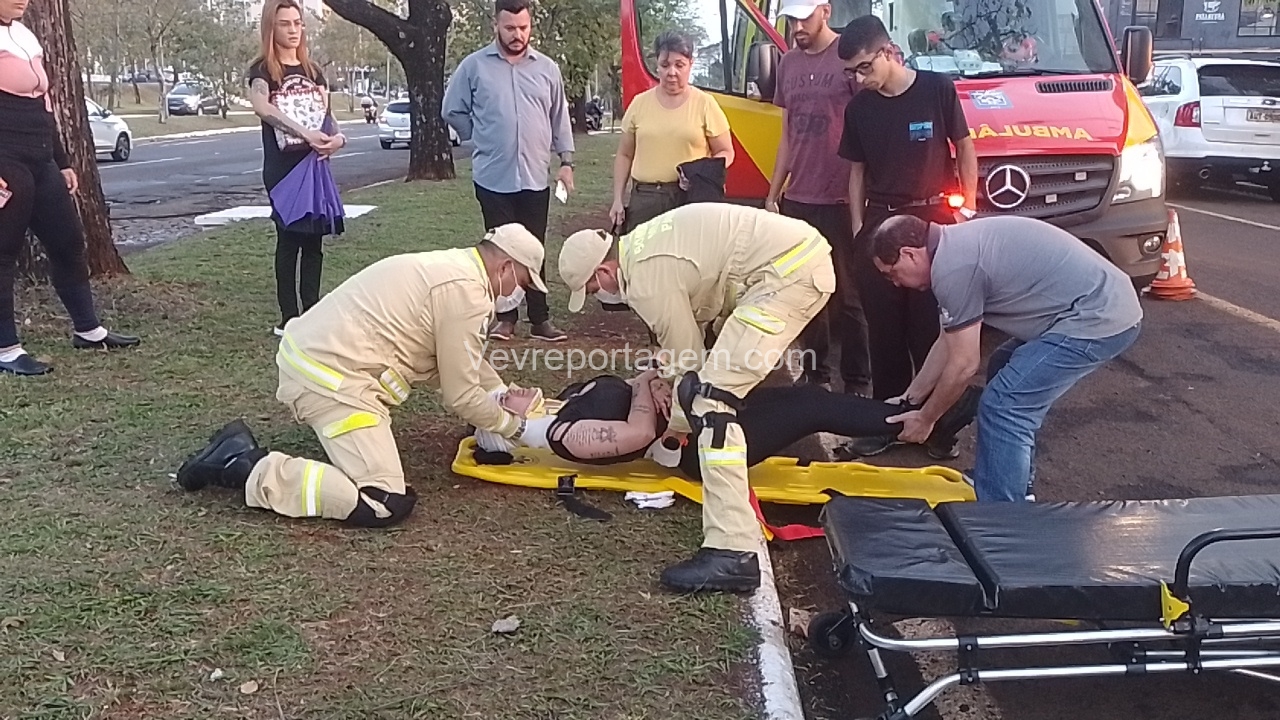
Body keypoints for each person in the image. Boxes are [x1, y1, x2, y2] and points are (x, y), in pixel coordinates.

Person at [173, 224, 551, 528]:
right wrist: (518, 428)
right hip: (333, 380)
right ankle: (244, 465)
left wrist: (499, 392)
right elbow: (461, 394)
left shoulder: (455, 271)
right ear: (505, 267)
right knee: (383, 501)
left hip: (320, 360)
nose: (519, 294)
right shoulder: (469, 294)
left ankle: (240, 455)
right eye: (523, 283)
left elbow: (461, 359)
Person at [558, 203, 835, 594]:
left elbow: (687, 357)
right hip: (786, 263)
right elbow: (694, 323)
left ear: (604, 271)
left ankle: (733, 551)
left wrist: (675, 426)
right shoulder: (643, 248)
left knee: (709, 400)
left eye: (592, 289)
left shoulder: (646, 279)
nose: (599, 296)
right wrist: (665, 377)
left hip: (784, 275)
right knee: (710, 383)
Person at [868, 214, 1143, 503]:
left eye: (892, 273)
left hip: (1098, 316)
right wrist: (909, 398)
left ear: (909, 254)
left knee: (1004, 404)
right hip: (1089, 305)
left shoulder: (953, 269)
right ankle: (1012, 481)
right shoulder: (952, 249)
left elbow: (963, 365)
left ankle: (1002, 513)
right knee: (1003, 367)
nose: (895, 283)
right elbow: (947, 342)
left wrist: (926, 419)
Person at [836, 14, 978, 458]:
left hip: (934, 224)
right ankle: (885, 425)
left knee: (931, 333)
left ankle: (936, 427)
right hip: (880, 225)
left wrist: (967, 210)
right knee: (884, 337)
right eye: (852, 73)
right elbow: (856, 172)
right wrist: (859, 230)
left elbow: (965, 146)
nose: (860, 79)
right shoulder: (859, 109)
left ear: (888, 52)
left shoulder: (936, 89)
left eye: (864, 67)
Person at [476, 368, 982, 480]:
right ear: (511, 423)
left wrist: (652, 381)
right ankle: (918, 421)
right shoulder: (564, 437)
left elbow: (634, 390)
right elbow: (637, 434)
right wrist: (646, 390)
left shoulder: (565, 406)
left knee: (802, 397)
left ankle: (915, 416)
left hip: (693, 418)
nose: (512, 389)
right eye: (505, 399)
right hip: (700, 451)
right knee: (809, 406)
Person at [0, 0, 139, 376]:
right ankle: (6, 349)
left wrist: (61, 161)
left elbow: (44, 106)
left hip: (40, 157)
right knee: (3, 253)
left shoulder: (23, 34)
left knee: (69, 242)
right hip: (5, 159)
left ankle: (88, 330)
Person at [443, 0, 574, 344]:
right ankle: (505, 319)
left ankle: (540, 319)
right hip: (493, 177)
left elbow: (559, 118)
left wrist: (567, 162)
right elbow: (451, 109)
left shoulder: (547, 69)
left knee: (534, 248)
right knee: (500, 250)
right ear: (496, 26)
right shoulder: (474, 66)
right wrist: (477, 134)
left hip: (534, 176)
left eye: (523, 28)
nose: (517, 35)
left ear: (531, 26)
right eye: (510, 28)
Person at [764, 0, 870, 394]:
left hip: (842, 196)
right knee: (805, 291)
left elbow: (868, 121)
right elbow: (786, 134)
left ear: (825, 11)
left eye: (804, 17)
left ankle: (857, 380)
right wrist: (774, 192)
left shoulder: (849, 55)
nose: (797, 27)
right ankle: (816, 375)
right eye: (791, 19)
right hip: (800, 197)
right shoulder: (788, 64)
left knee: (849, 293)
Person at [247, 0, 347, 337]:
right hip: (283, 171)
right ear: (270, 27)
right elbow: (261, 106)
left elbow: (328, 116)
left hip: (315, 167)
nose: (293, 30)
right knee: (289, 239)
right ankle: (288, 318)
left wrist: (338, 139)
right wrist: (305, 133)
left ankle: (312, 311)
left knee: (314, 242)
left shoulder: (313, 70)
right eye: (285, 23)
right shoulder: (262, 71)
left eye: (297, 23)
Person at [609, 31, 734, 234]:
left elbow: (726, 152)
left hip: (688, 199)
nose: (671, 72)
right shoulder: (639, 104)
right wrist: (617, 199)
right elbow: (624, 154)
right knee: (642, 254)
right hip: (645, 199)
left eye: (679, 65)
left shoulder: (705, 104)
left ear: (691, 64)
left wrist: (700, 172)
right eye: (665, 65)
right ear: (657, 65)